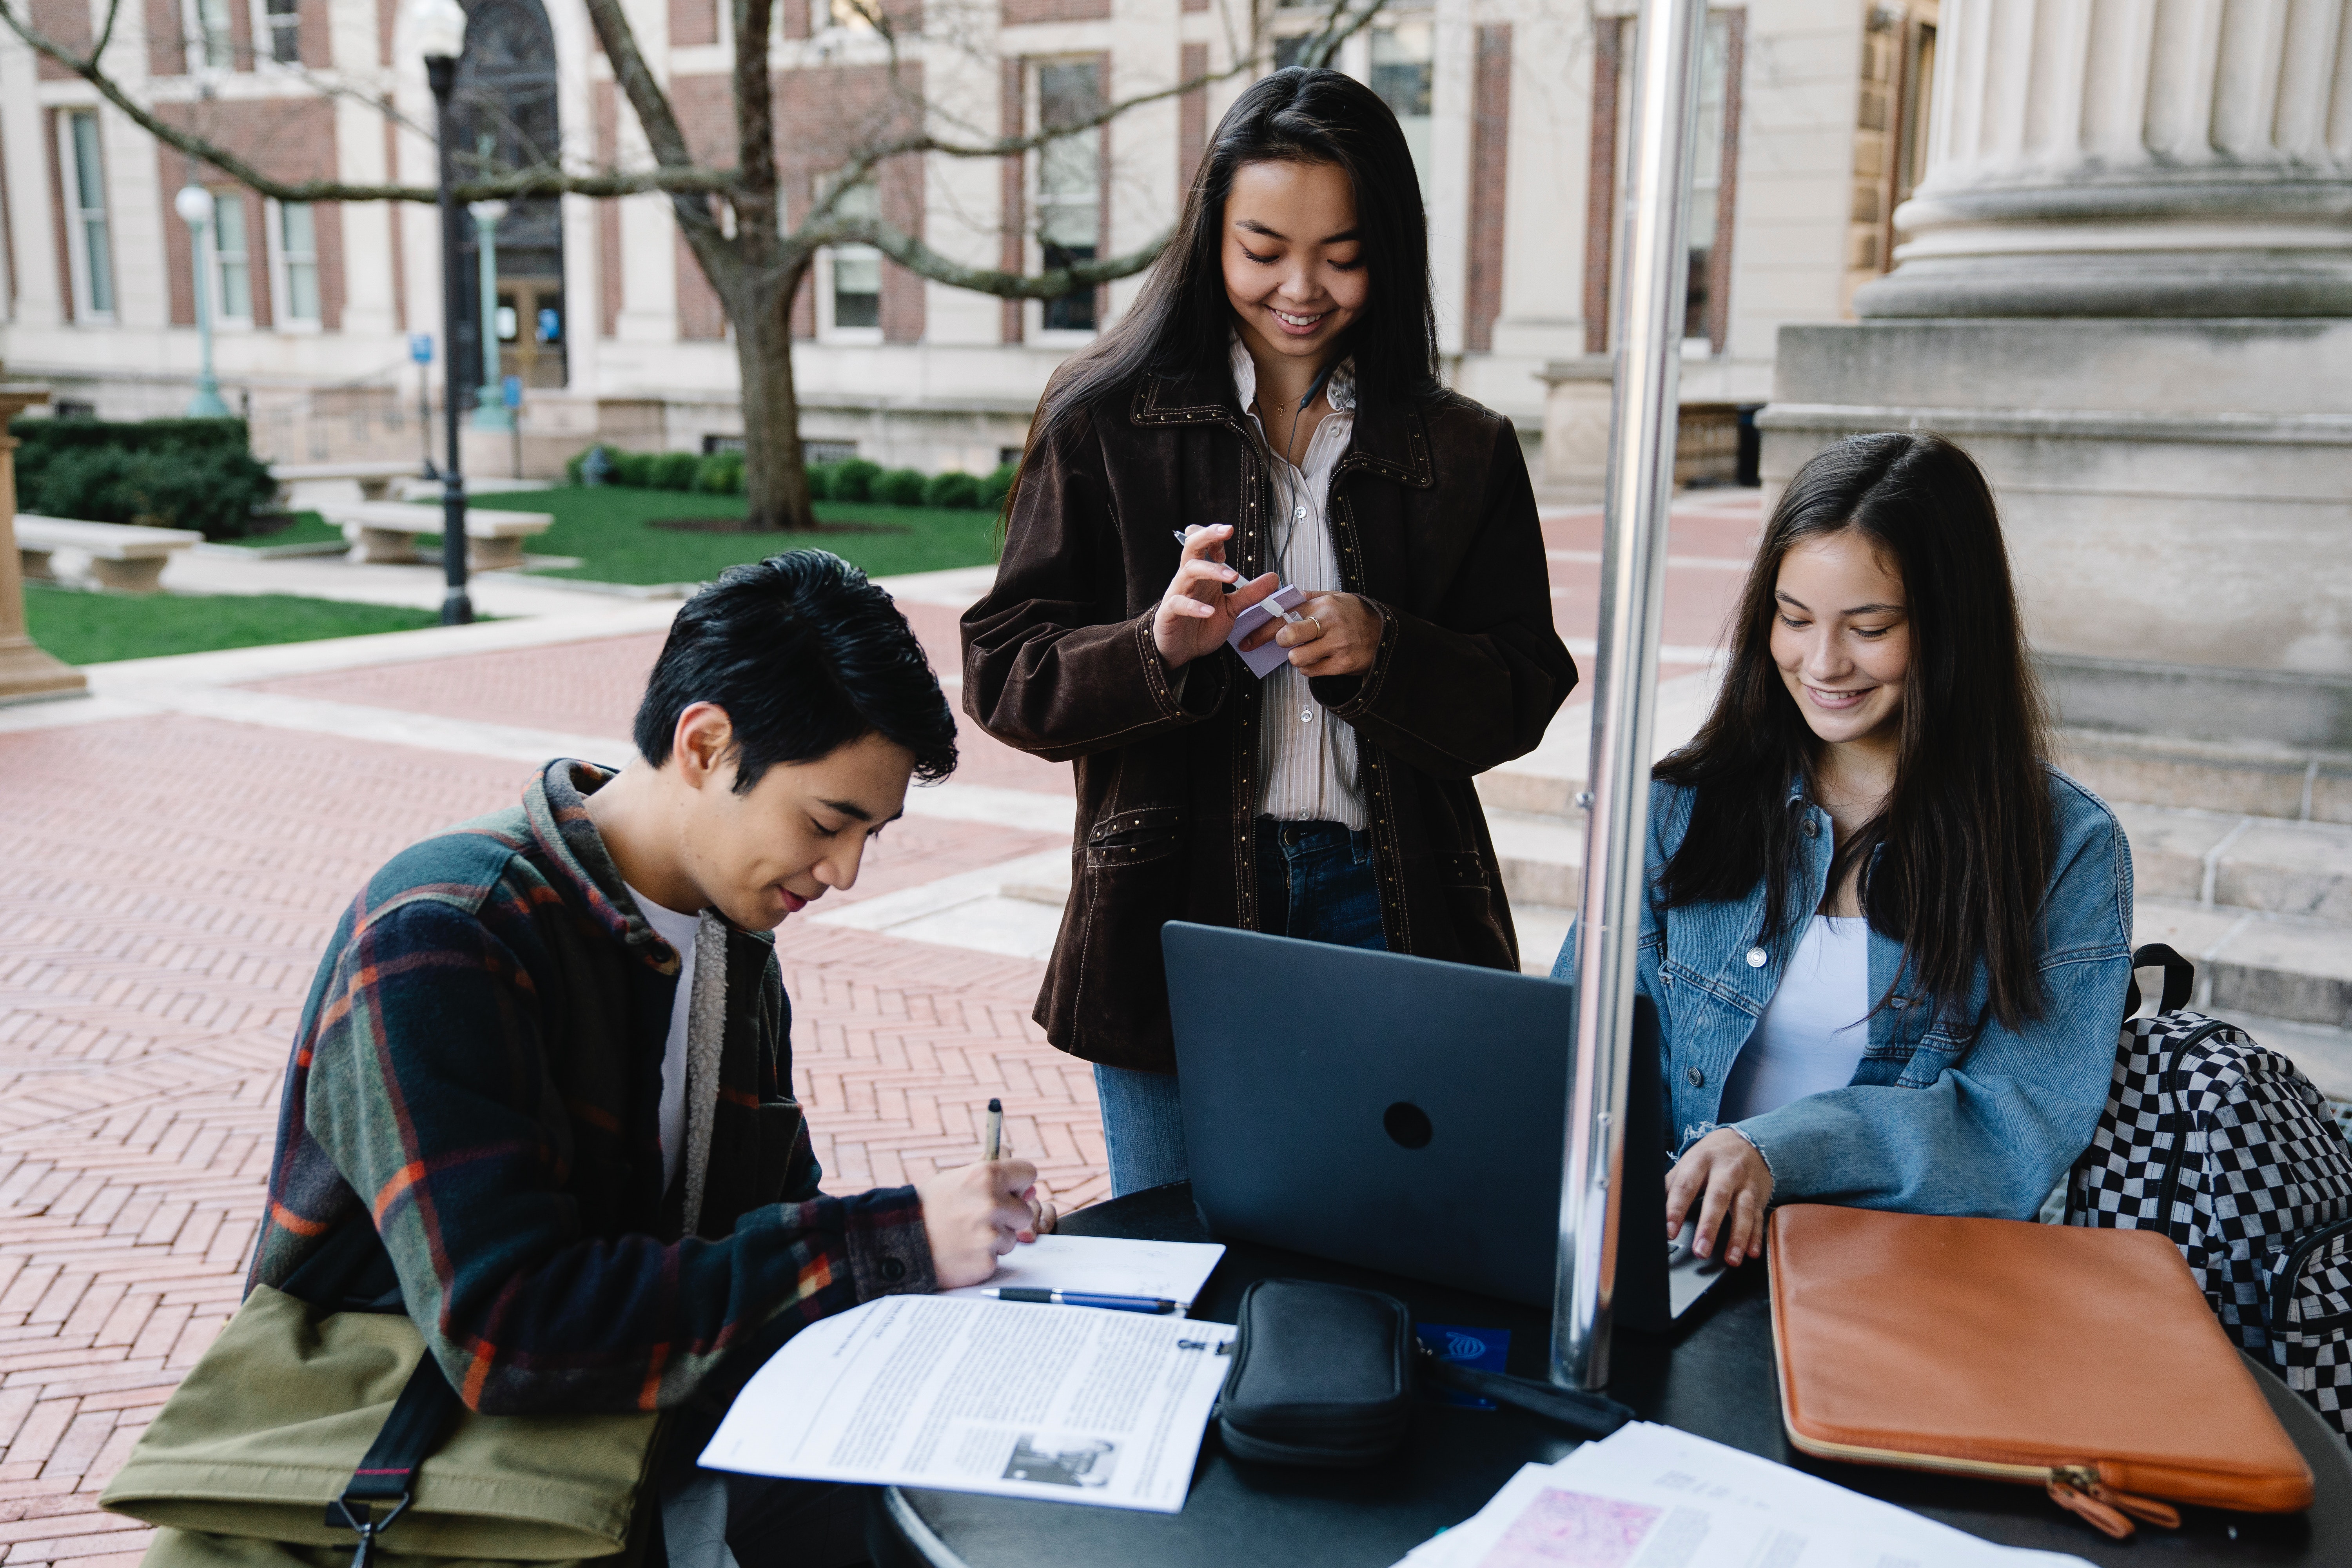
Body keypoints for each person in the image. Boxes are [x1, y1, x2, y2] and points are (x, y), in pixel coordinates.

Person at [249, 552, 1053, 1568]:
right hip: (407, 1498)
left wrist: (947, 1244)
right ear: (707, 745)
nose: (845, 873)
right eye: (825, 823)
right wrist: (885, 1241)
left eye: (872, 837)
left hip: (625, 1468)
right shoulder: (449, 934)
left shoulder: (733, 946)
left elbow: (757, 1231)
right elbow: (507, 1329)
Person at [962, 67, 1576, 1196]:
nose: (1302, 288)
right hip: (1172, 908)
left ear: (1392, 245)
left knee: (1393, 1240)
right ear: (1211, 236)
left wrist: (1387, 650)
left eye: (1342, 254)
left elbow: (1525, 685)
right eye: (1263, 249)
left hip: (1392, 902)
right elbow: (1006, 670)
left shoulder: (1465, 447)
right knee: (1182, 1257)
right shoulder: (1104, 415)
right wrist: (1159, 648)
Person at [1558, 433, 2132, 1271]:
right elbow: (1583, 1041)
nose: (1822, 663)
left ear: (1953, 625)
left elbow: (2016, 1120)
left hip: (1904, 1277)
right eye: (1793, 619)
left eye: (1869, 628)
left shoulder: (2064, 848)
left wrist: (1781, 1150)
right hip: (1674, 1255)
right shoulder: (1676, 806)